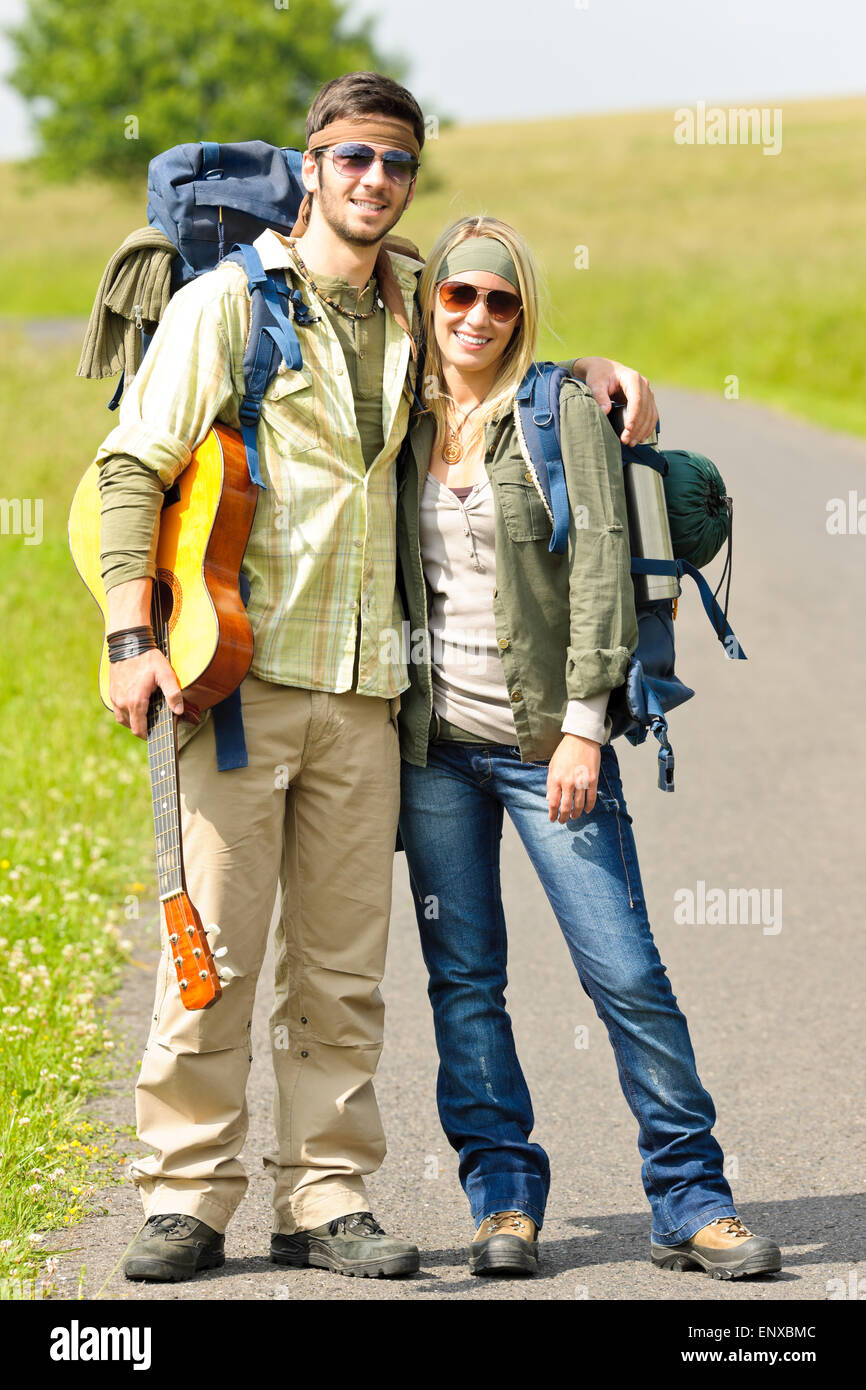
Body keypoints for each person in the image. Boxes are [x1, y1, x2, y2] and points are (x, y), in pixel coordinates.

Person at [94, 70, 658, 1284]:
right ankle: (187, 1197)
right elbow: (134, 465)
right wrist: (130, 638)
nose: (373, 181)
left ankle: (327, 1194)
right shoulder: (226, 305)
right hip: (230, 686)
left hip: (367, 701)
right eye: (352, 157)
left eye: (394, 164)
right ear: (311, 164)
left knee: (342, 969)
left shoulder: (408, 306)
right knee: (219, 958)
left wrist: (600, 373)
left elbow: (494, 370)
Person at [395, 215, 783, 1281]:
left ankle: (689, 1197)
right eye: (456, 296)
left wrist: (579, 728)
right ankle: (502, 1201)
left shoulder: (557, 409)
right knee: (462, 979)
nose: (474, 315)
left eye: (499, 300)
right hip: (431, 748)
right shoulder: (393, 407)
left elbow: (605, 573)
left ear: (522, 312)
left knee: (625, 971)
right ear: (427, 301)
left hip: (541, 743)